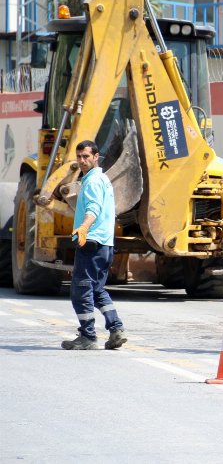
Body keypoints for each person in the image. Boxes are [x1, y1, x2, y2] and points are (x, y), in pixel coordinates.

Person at [61, 140, 127, 350]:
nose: (82, 161)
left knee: (80, 290)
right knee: (97, 289)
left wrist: (84, 228)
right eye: (79, 157)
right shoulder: (102, 179)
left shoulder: (91, 182)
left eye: (86, 157)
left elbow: (93, 208)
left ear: (96, 157)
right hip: (105, 244)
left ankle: (87, 336)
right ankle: (116, 329)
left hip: (91, 241)